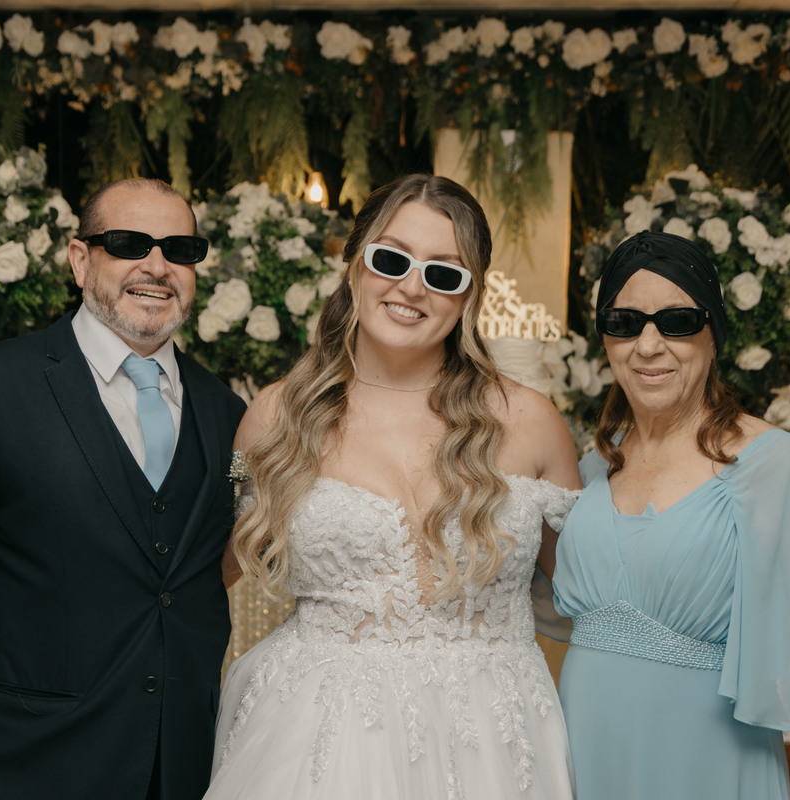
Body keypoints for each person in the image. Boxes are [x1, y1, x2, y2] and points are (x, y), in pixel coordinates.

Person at [204, 174, 582, 799]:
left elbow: (589, 598)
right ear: (355, 264)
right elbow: (200, 576)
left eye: (444, 273)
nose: (412, 287)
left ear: (469, 295)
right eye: (392, 259)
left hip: (495, 739)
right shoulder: (275, 416)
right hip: (319, 737)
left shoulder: (531, 421)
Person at [0, 178, 246, 800]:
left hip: (184, 765)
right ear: (81, 260)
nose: (157, 266)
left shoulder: (225, 411)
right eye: (129, 244)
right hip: (27, 761)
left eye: (179, 250)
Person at [553, 230, 790, 799]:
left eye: (677, 321)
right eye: (624, 322)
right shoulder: (592, 468)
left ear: (713, 333)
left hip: (712, 767)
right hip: (587, 756)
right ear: (605, 337)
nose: (648, 345)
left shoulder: (778, 465)